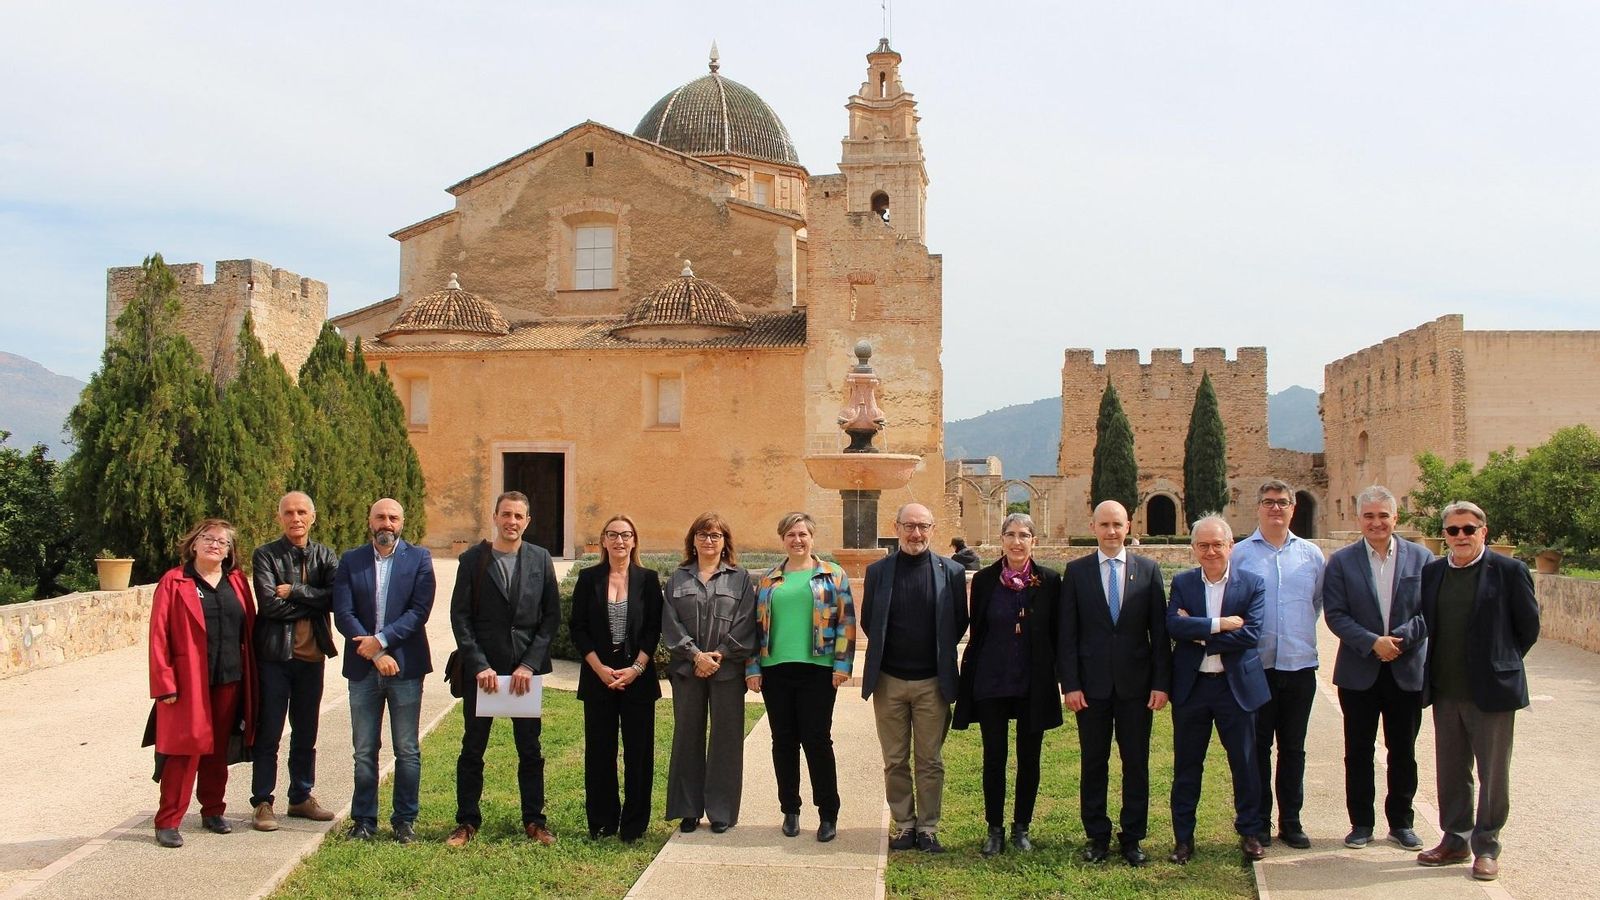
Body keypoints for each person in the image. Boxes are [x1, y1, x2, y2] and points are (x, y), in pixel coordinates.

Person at [1416, 500, 1539, 882]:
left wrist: (1500, 660)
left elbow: (1528, 628)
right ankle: (1455, 839)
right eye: (1453, 530)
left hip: (1492, 692)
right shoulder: (1433, 573)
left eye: (1469, 529)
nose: (1461, 536)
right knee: (1452, 771)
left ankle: (1486, 846)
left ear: (1483, 532)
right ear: (1445, 536)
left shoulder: (1509, 571)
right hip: (1446, 688)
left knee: (1493, 773)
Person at [445, 491, 562, 847]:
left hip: (524, 673)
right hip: (484, 674)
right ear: (494, 517)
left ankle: (534, 820)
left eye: (519, 516)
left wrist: (529, 664)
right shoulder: (472, 560)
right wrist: (479, 665)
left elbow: (551, 618)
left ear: (527, 521)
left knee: (530, 749)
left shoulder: (541, 560)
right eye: (506, 514)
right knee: (472, 749)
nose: (512, 521)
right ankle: (466, 822)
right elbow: (460, 617)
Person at [1059, 500, 1171, 866]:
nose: (1111, 531)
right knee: (1094, 762)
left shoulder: (1149, 570)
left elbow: (1159, 633)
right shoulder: (1076, 573)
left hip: (1136, 689)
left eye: (1117, 524)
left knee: (1135, 763)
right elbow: (1068, 635)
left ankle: (1133, 837)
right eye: (1104, 524)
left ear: (1128, 526)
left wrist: (1160, 683)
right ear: (1092, 526)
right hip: (1090, 689)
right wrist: (1070, 684)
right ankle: (1096, 836)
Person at [1322, 485, 1432, 851]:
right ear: (1359, 519)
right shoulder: (1341, 561)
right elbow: (1336, 614)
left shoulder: (1421, 559)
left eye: (1383, 515)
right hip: (1359, 671)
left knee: (1403, 751)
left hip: (1405, 669)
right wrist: (1372, 642)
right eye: (1369, 516)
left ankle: (1401, 823)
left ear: (1395, 517)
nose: (1376, 523)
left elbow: (1429, 612)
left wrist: (1397, 641)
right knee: (1358, 751)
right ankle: (1361, 824)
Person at [861, 503, 969, 854]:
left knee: (930, 760)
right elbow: (869, 622)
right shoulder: (878, 572)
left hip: (932, 683)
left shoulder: (951, 571)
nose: (916, 533)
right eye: (909, 526)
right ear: (896, 528)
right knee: (894, 759)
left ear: (933, 529)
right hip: (889, 681)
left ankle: (928, 828)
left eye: (923, 526)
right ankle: (905, 825)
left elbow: (958, 622)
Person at [952, 512, 1061, 857]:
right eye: (1010, 535)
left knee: (1030, 758)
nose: (1017, 542)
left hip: (1033, 682)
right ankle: (995, 829)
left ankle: (1021, 827)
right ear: (1001, 540)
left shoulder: (1050, 580)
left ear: (1034, 541)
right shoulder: (984, 581)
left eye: (1024, 535)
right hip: (992, 679)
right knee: (994, 756)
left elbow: (1057, 633)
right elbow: (979, 629)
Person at [146, 518, 259, 848]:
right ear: (193, 544)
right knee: (183, 752)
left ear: (229, 551)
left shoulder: (237, 581)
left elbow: (248, 631)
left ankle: (213, 810)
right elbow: (158, 635)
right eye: (208, 538)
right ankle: (168, 820)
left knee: (217, 751)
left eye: (222, 542)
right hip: (187, 684)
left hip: (230, 679)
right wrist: (164, 683)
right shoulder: (174, 581)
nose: (215, 545)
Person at [1166, 514, 1271, 865]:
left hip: (1235, 687)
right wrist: (1220, 625)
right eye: (1203, 545)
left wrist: (1198, 634)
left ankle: (1251, 833)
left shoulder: (1252, 584)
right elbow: (1172, 626)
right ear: (1193, 548)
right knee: (1187, 766)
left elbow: (1251, 634)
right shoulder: (1183, 583)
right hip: (1192, 688)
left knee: (1244, 763)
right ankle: (1183, 839)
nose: (1211, 552)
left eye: (1217, 544)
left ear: (1231, 546)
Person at [745, 512, 855, 842]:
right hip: (776, 670)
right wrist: (753, 668)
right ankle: (790, 809)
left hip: (819, 671)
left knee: (817, 740)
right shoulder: (769, 580)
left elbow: (845, 622)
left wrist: (842, 665)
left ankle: (827, 813)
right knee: (784, 741)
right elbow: (754, 627)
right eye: (791, 534)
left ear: (812, 537)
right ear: (783, 539)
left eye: (803, 534)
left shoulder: (832, 575)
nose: (797, 540)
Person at [332, 497, 435, 844]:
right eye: (380, 517)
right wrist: (375, 654)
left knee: (406, 748)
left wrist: (382, 640)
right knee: (364, 749)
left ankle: (404, 821)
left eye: (393, 517)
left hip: (405, 667)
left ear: (402, 523)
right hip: (363, 670)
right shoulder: (351, 560)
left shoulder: (419, 558)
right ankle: (363, 821)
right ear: (369, 521)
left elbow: (419, 611)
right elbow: (343, 613)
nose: (386, 523)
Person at [1230, 480, 1325, 849]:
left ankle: (1291, 821)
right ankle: (1257, 822)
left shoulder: (1311, 555)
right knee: (1256, 748)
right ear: (1258, 507)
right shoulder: (1240, 555)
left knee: (1294, 748)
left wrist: (1294, 635)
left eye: (1282, 502)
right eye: (1268, 502)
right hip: (1256, 666)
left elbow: (1314, 602)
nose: (1275, 508)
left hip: (1299, 665)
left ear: (1292, 508)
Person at [249, 491, 339, 832]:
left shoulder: (325, 555)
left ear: (312, 517)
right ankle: (262, 802)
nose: (295, 518)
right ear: (280, 517)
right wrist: (313, 599)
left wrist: (296, 591)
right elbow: (269, 605)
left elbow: (335, 598)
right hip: (275, 657)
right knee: (269, 731)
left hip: (311, 659)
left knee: (306, 732)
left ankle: (301, 796)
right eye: (289, 512)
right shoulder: (266, 555)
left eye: (302, 512)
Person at [570, 514, 663, 842]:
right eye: (613, 535)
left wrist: (636, 668)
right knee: (599, 753)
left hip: (638, 679)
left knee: (639, 754)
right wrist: (598, 668)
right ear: (604, 540)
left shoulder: (648, 579)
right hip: (598, 678)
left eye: (626, 535)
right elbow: (577, 628)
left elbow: (653, 628)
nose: (619, 541)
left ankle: (634, 824)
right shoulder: (588, 578)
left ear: (634, 541)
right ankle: (602, 822)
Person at [662, 512, 757, 833]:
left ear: (725, 542)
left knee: (726, 741)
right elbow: (670, 625)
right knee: (687, 737)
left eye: (715, 535)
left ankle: (721, 811)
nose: (709, 541)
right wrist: (695, 655)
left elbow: (746, 621)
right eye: (702, 535)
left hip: (726, 672)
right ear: (693, 541)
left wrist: (721, 653)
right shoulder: (678, 579)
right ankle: (688, 810)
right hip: (688, 672)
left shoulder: (740, 579)